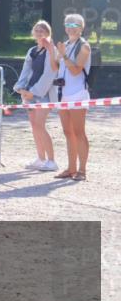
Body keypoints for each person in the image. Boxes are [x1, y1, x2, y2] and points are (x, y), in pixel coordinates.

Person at [13, 20, 58, 172]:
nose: (39, 33)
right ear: (33, 32)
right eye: (37, 30)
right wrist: (20, 88)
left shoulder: (52, 50)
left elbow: (49, 74)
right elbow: (26, 70)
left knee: (40, 126)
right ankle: (40, 158)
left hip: (42, 94)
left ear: (48, 33)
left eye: (43, 30)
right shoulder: (32, 50)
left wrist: (35, 92)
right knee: (34, 127)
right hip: (29, 92)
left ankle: (52, 161)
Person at [54, 13, 92, 181]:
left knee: (79, 132)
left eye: (75, 24)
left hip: (77, 94)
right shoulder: (66, 45)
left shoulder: (84, 46)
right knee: (67, 132)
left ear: (81, 28)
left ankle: (82, 170)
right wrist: (52, 52)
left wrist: (63, 55)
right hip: (62, 94)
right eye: (68, 24)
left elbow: (76, 70)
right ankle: (71, 168)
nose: (71, 27)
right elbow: (55, 67)